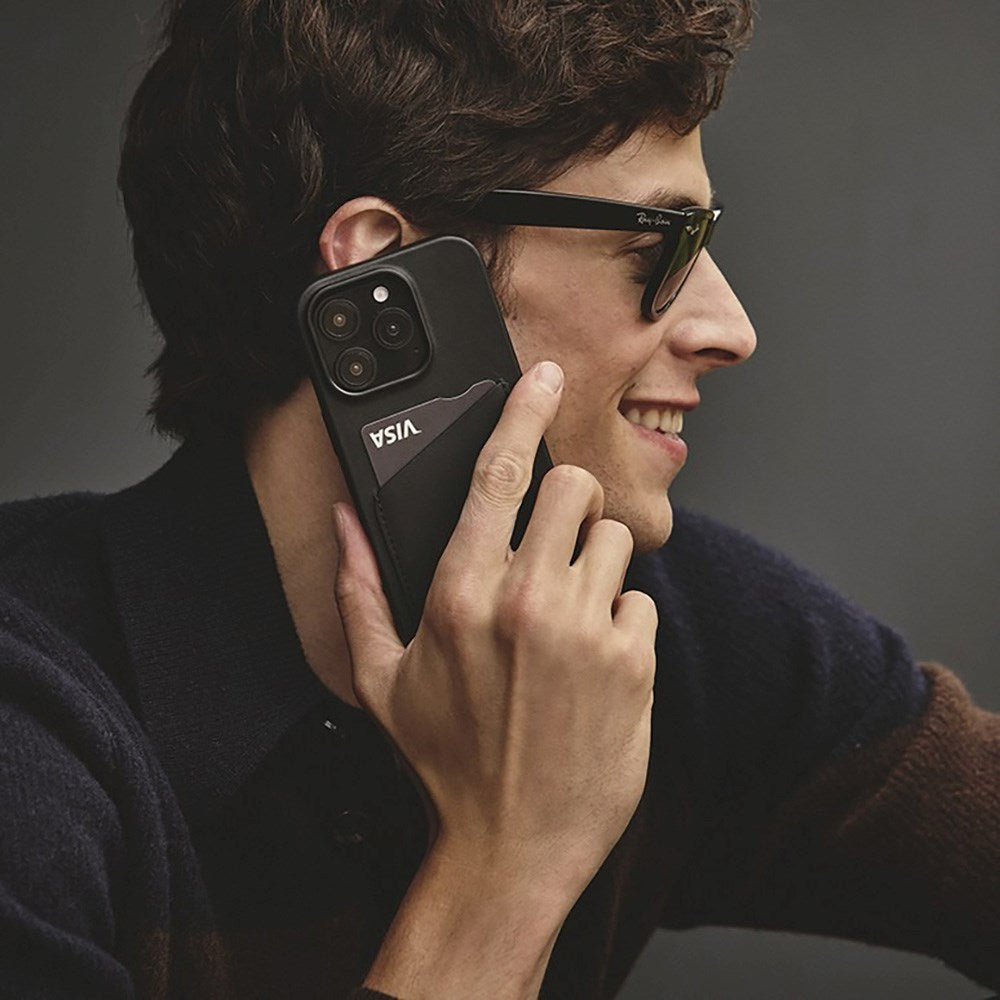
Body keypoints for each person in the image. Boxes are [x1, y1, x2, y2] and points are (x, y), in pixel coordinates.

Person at [0, 1, 997, 998]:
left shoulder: (646, 624)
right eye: (660, 246)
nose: (730, 328)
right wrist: (508, 862)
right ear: (386, 271)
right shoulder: (31, 737)